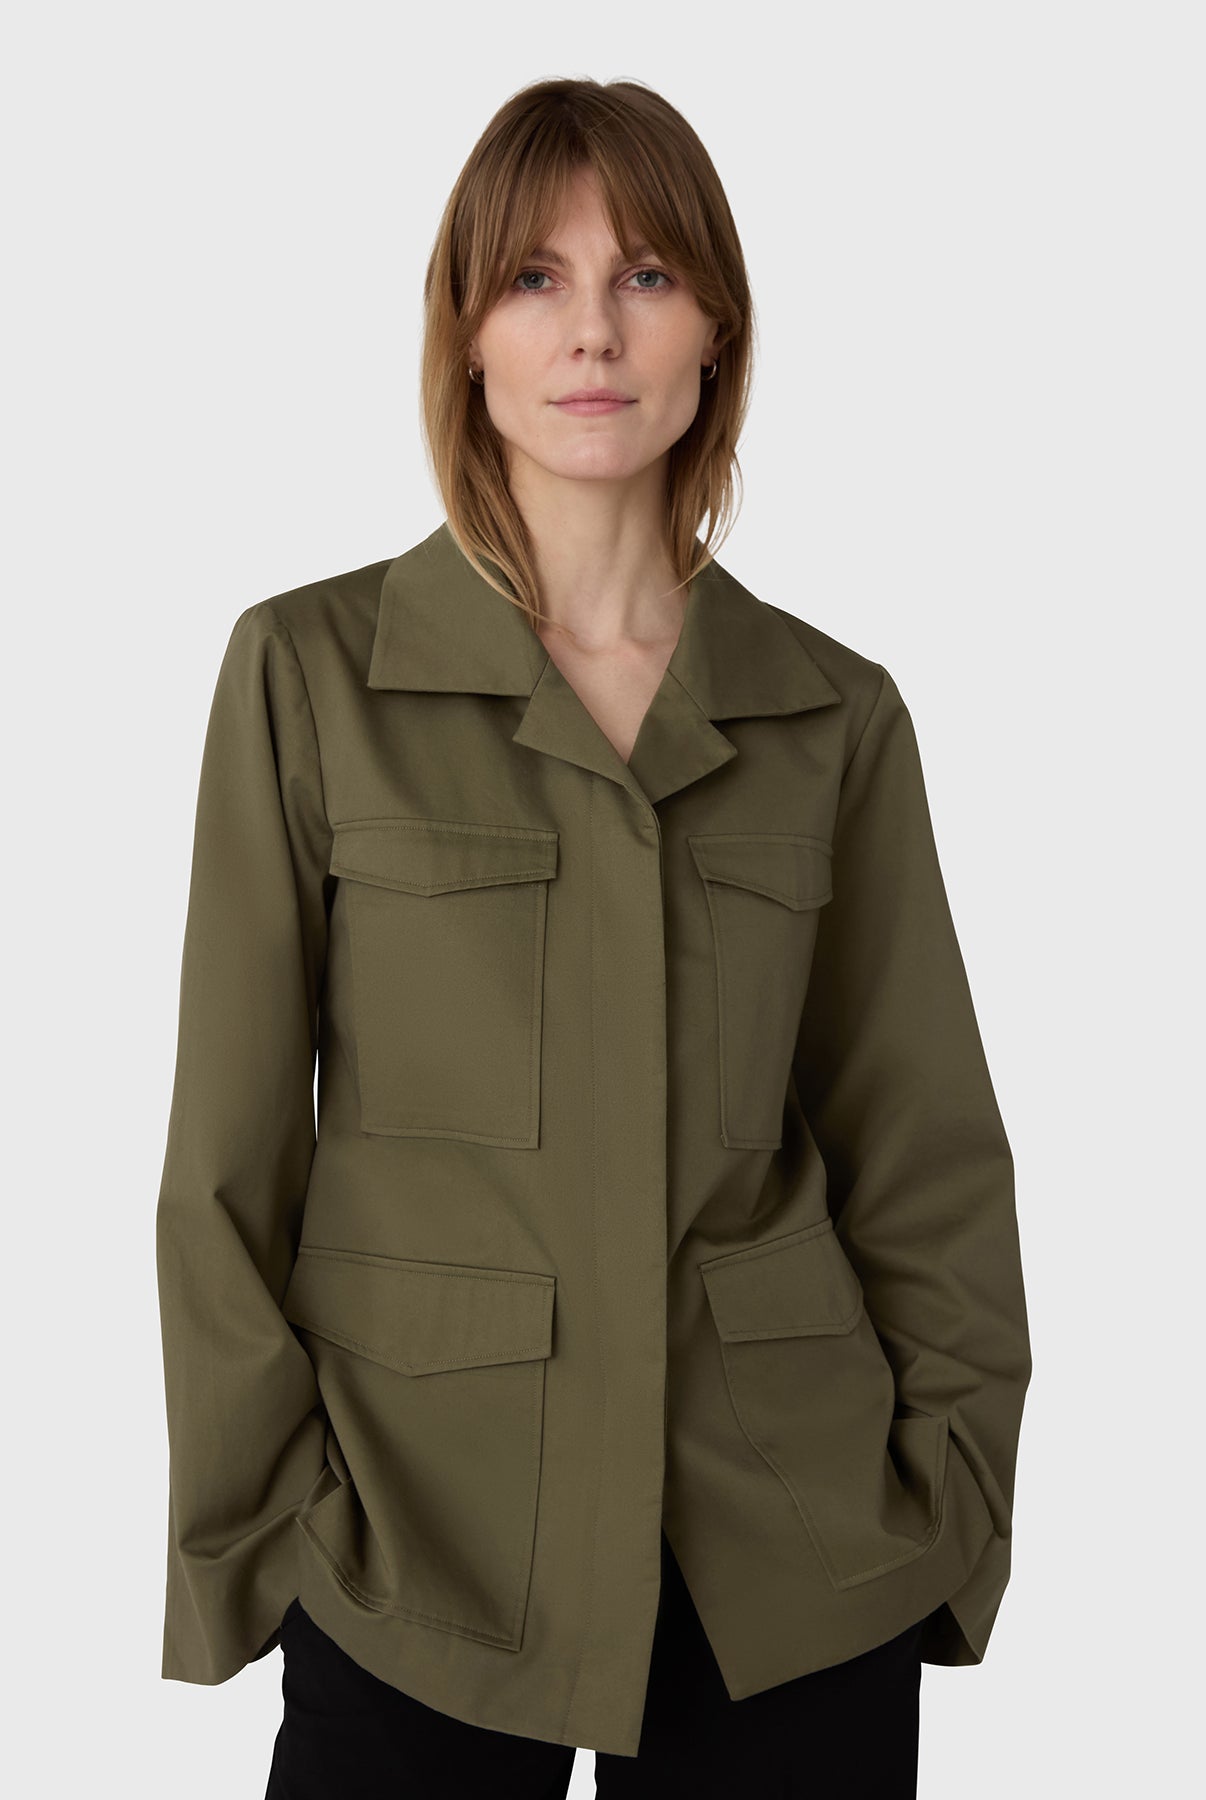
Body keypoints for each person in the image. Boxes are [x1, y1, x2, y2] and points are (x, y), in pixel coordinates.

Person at [154, 76, 1032, 1800]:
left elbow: (923, 1155)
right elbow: (227, 1162)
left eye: (644, 275)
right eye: (534, 279)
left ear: (715, 329)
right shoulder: (308, 675)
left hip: (789, 1544)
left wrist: (948, 1503)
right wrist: (275, 1528)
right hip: (414, 1529)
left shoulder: (830, 713)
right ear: (466, 334)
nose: (592, 334)